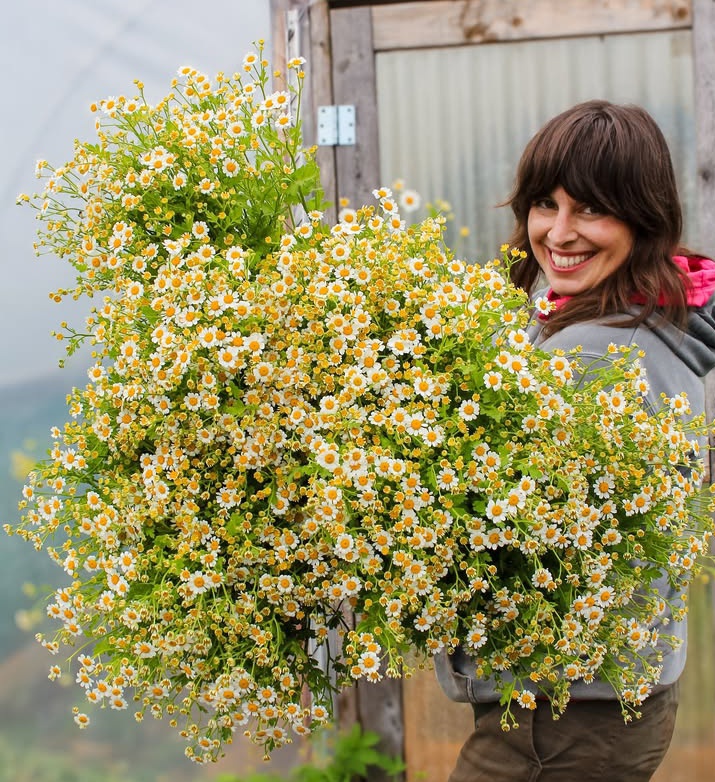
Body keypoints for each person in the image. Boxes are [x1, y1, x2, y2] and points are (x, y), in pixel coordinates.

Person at [435, 99, 715, 781]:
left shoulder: (594, 351)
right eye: (544, 204)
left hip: (563, 716)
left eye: (590, 209)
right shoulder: (644, 316)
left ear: (642, 218)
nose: (558, 233)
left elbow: (502, 530)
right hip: (600, 697)